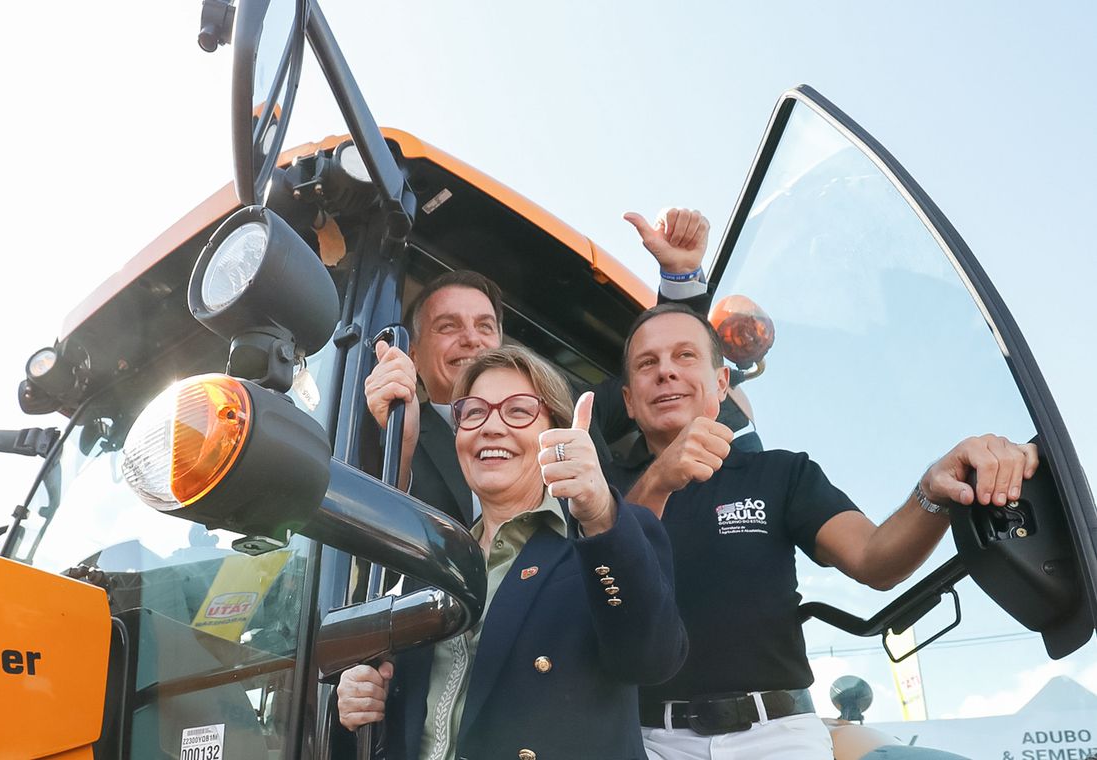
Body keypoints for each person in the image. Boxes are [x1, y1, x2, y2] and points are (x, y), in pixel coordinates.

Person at [608, 303, 1039, 759]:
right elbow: (597, 584)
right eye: (647, 363)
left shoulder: (781, 473)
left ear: (721, 384)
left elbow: (876, 560)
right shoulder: (599, 491)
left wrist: (933, 489)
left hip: (777, 739)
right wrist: (659, 479)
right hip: (648, 742)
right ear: (629, 401)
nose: (666, 372)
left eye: (685, 356)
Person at [338, 346, 688, 759]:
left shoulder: (604, 537)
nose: (491, 427)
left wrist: (598, 513)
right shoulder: (433, 564)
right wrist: (361, 700)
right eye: (473, 413)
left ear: (555, 431)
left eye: (519, 411)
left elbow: (652, 660)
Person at [365, 207, 714, 527]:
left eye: (485, 326)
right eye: (448, 326)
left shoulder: (568, 405)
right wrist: (401, 445)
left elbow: (655, 380)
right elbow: (371, 535)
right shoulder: (393, 431)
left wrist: (680, 280)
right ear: (412, 354)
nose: (472, 339)